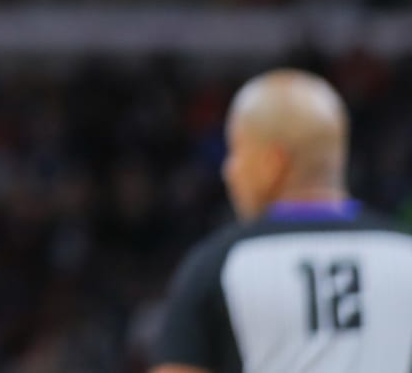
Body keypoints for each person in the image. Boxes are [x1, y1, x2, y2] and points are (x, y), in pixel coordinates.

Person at [151, 69, 412, 373]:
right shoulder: (404, 253)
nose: (228, 170)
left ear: (271, 163)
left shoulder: (218, 264)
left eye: (236, 151)